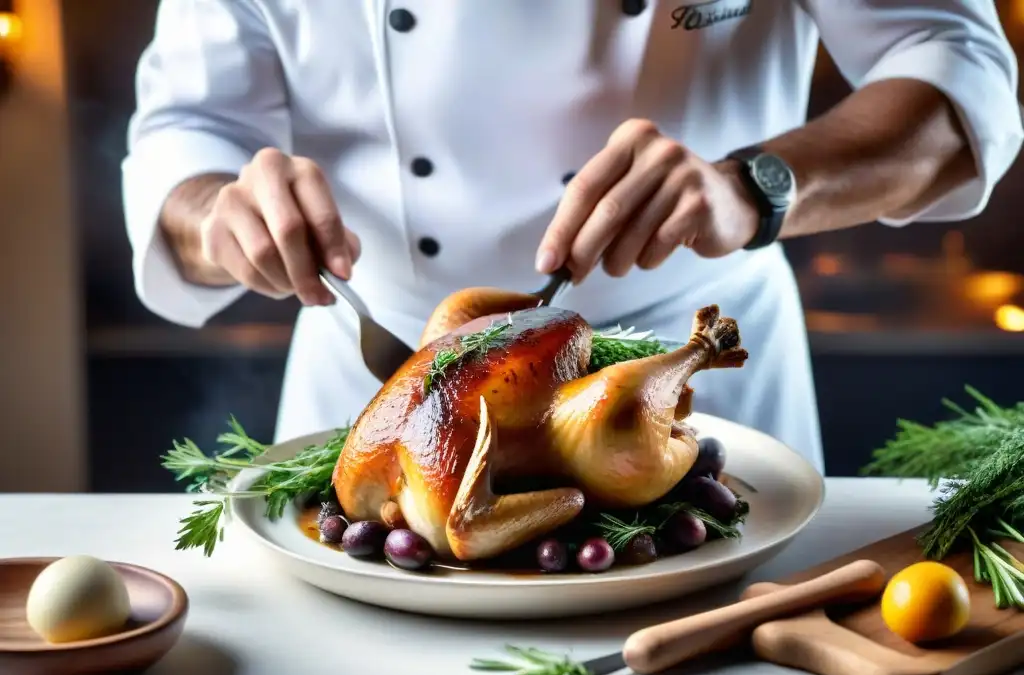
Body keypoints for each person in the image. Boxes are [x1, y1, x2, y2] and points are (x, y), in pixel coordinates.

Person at [122, 1, 1023, 475]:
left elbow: (958, 71)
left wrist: (753, 186)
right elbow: (187, 128)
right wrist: (221, 215)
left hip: (692, 384)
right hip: (377, 380)